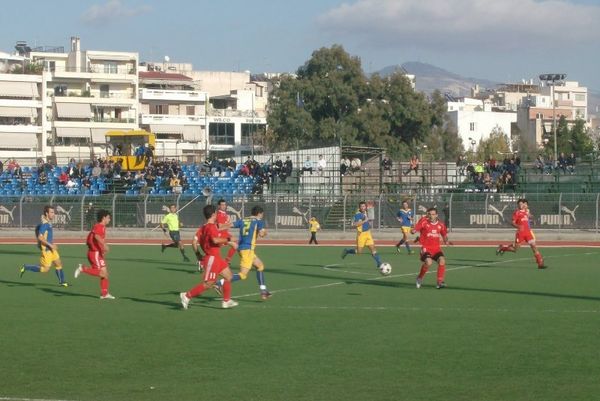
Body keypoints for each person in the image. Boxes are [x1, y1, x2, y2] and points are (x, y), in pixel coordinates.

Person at [180, 204, 238, 309]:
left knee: (229, 276)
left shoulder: (203, 227)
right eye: (216, 213)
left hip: (217, 257)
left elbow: (194, 242)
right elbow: (215, 240)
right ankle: (187, 295)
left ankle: (226, 301)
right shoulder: (210, 227)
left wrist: (198, 254)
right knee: (209, 284)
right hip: (212, 257)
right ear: (213, 214)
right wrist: (229, 240)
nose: (217, 214)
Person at [216, 205, 271, 300]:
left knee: (260, 266)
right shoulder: (258, 221)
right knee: (243, 275)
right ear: (259, 214)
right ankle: (218, 283)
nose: (262, 216)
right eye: (262, 214)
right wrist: (265, 232)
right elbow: (262, 234)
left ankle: (263, 290)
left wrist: (218, 228)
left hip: (243, 249)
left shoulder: (243, 220)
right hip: (248, 250)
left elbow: (230, 225)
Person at [20, 206, 69, 287]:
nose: (54, 214)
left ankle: (62, 282)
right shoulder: (45, 224)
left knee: (58, 263)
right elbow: (40, 237)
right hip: (47, 250)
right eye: (52, 212)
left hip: (51, 249)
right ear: (47, 213)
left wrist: (51, 246)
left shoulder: (48, 222)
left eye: (54, 212)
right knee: (45, 269)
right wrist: (50, 245)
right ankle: (26, 267)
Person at [73, 209, 114, 299]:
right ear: (103, 218)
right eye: (108, 218)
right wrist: (105, 245)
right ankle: (82, 268)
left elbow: (95, 239)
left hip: (98, 253)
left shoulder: (101, 226)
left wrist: (102, 250)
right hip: (94, 253)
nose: (109, 220)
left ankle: (104, 294)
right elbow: (96, 236)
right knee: (102, 274)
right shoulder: (99, 226)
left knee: (105, 274)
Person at [496, 198, 546, 269]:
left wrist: (532, 219)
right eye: (519, 204)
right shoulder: (517, 213)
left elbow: (529, 218)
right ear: (517, 205)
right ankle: (502, 248)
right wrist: (518, 226)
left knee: (534, 247)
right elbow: (513, 222)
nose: (521, 205)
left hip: (528, 232)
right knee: (515, 249)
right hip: (520, 233)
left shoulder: (526, 212)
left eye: (522, 204)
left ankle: (540, 263)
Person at [412, 207, 452, 289]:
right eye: (429, 214)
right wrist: (413, 231)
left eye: (433, 214)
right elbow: (416, 228)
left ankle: (439, 282)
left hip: (436, 249)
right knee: (429, 262)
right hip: (426, 248)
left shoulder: (441, 225)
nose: (431, 216)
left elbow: (444, 235)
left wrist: (446, 241)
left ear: (436, 215)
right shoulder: (424, 222)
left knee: (442, 261)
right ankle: (419, 278)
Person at [341, 201, 382, 270]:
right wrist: (364, 221)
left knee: (373, 249)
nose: (363, 208)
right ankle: (347, 251)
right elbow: (356, 224)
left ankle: (379, 263)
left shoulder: (365, 212)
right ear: (359, 207)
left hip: (368, 233)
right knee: (359, 252)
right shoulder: (358, 214)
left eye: (364, 206)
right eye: (361, 206)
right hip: (361, 235)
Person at [216, 199, 238, 264]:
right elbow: (220, 226)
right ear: (218, 206)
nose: (224, 206)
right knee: (214, 252)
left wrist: (228, 223)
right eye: (222, 205)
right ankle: (202, 262)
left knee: (236, 245)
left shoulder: (224, 213)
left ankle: (227, 261)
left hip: (225, 234)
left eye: (225, 204)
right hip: (221, 235)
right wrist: (229, 224)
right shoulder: (220, 214)